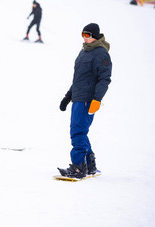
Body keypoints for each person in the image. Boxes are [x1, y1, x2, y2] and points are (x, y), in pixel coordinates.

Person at [58, 23, 112, 179]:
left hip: (88, 100)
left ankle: (78, 167)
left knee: (77, 132)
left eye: (87, 35)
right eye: (82, 35)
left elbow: (104, 79)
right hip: (78, 98)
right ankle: (89, 165)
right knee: (80, 132)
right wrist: (68, 96)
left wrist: (97, 99)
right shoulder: (83, 53)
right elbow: (78, 79)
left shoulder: (101, 54)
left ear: (95, 36)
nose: (84, 38)